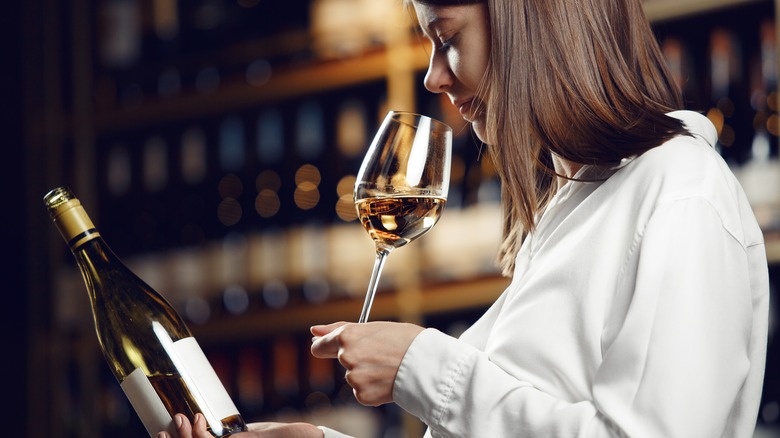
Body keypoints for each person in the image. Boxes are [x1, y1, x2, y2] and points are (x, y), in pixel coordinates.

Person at [158, 0, 770, 436]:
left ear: (530, 18)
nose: (432, 75)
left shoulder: (680, 192)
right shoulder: (572, 206)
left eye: (445, 37)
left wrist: (423, 365)